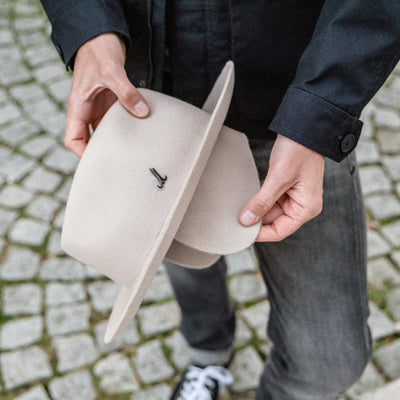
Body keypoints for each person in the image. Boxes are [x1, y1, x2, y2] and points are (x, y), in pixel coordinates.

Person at [40, 1, 400, 399]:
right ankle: (208, 352)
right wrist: (88, 26)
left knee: (330, 358)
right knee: (177, 251)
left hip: (290, 108)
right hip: (152, 108)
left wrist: (321, 110)